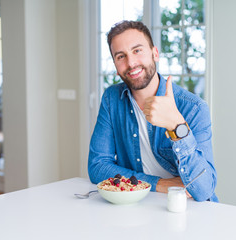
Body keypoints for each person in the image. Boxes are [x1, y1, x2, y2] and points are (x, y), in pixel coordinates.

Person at [88, 20, 218, 202]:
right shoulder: (111, 100)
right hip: (140, 205)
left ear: (155, 53)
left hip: (187, 209)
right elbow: (97, 167)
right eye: (120, 56)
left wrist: (177, 126)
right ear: (116, 67)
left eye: (137, 50)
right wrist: (158, 184)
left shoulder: (194, 107)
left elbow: (204, 190)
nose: (131, 63)